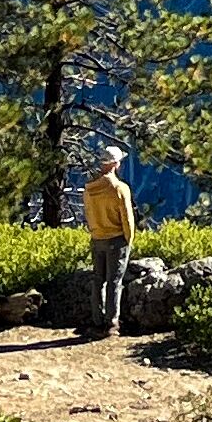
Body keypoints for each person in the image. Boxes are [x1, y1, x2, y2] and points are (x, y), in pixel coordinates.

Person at [82, 145, 136, 338]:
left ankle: (97, 321)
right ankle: (112, 323)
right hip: (116, 240)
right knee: (114, 281)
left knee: (98, 280)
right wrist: (129, 239)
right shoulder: (119, 188)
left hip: (97, 238)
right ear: (115, 164)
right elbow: (128, 219)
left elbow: (88, 214)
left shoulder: (89, 189)